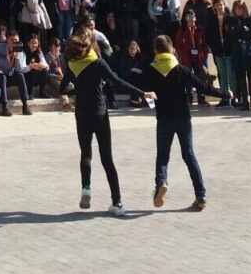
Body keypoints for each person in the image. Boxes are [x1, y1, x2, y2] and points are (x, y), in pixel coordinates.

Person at [61, 28, 148, 215]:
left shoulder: (72, 64)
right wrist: (142, 93)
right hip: (99, 112)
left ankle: (86, 188)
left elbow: (62, 88)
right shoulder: (98, 63)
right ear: (92, 44)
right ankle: (117, 203)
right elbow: (117, 81)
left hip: (81, 113)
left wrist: (77, 89)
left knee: (86, 153)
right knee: (107, 158)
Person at [142, 34, 231, 210]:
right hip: (183, 117)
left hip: (164, 118)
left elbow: (143, 90)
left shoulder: (151, 70)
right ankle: (201, 195)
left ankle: (161, 182)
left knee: (163, 156)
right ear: (172, 49)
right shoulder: (182, 69)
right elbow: (203, 87)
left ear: (155, 51)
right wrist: (225, 93)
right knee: (189, 155)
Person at [0, 27, 31, 116]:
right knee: (2, 77)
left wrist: (17, 57)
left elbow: (19, 69)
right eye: (12, 40)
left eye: (16, 40)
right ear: (7, 39)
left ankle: (25, 104)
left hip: (10, 75)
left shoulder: (19, 50)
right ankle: (5, 106)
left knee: (20, 76)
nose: (14, 42)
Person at [229, 0, 251, 111]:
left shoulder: (250, 20)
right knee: (241, 77)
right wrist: (241, 29)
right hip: (237, 52)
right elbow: (231, 35)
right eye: (237, 8)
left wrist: (242, 31)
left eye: (241, 8)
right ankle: (245, 102)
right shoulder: (232, 21)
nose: (239, 10)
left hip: (249, 52)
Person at [173, 9, 209, 105]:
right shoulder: (182, 30)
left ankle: (201, 97)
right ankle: (189, 97)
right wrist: (181, 56)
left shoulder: (199, 30)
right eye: (188, 17)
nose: (190, 19)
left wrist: (204, 55)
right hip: (187, 58)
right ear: (185, 19)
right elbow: (178, 45)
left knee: (199, 77)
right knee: (188, 77)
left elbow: (204, 44)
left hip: (198, 57)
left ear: (195, 18)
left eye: (192, 17)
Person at [204, 0, 236, 105]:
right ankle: (224, 97)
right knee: (222, 74)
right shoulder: (211, 19)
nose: (219, 7)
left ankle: (234, 96)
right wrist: (212, 46)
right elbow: (208, 34)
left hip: (229, 49)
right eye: (217, 5)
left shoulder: (230, 18)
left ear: (224, 6)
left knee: (231, 74)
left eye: (221, 5)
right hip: (217, 50)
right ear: (214, 7)